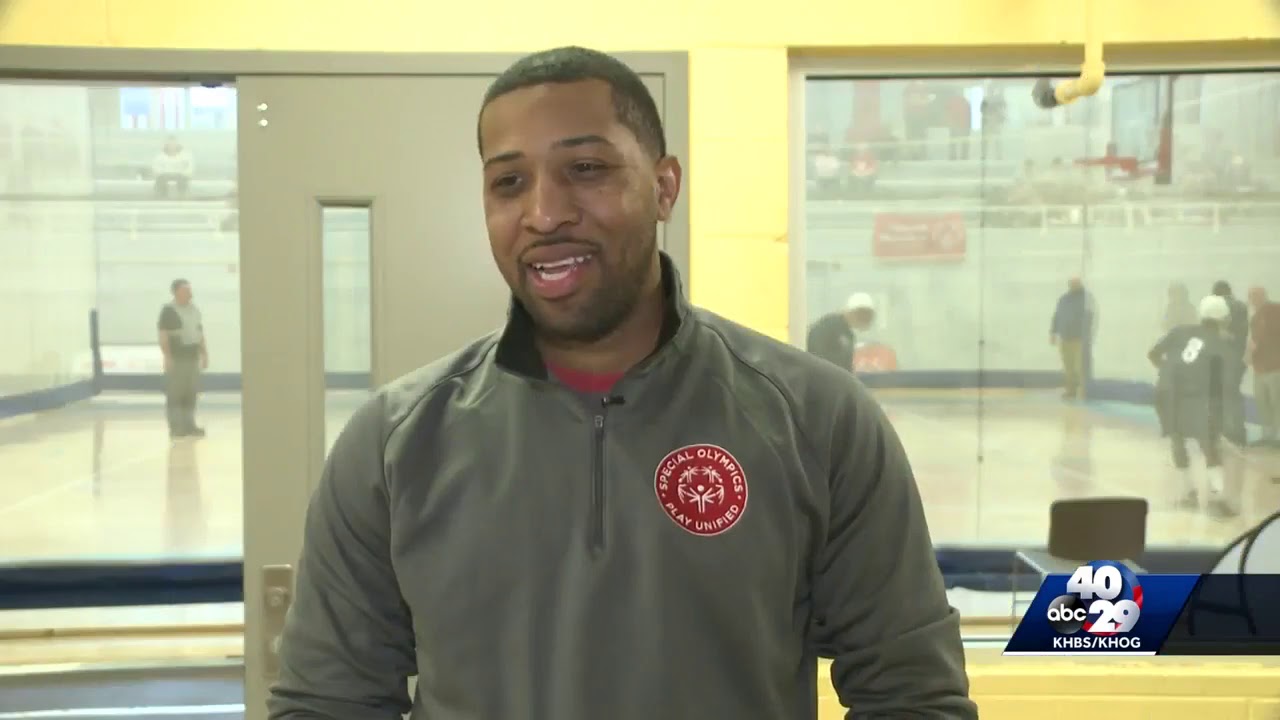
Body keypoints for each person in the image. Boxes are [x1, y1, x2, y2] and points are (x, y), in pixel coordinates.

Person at [267, 47, 974, 720]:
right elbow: (328, 703)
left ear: (664, 187)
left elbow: (912, 693)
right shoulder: (394, 443)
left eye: (585, 168)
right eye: (508, 182)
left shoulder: (817, 420)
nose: (544, 213)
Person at [1148, 294, 1242, 518]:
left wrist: (1167, 371)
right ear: (1223, 320)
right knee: (1209, 444)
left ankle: (1188, 493)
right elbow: (1224, 383)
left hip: (1165, 392)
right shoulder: (1222, 344)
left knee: (1177, 439)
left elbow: (1152, 354)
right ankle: (1218, 500)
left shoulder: (1180, 331)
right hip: (1195, 396)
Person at [157, 278, 207, 438]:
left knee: (191, 393)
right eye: (186, 290)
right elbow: (163, 336)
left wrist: (204, 353)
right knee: (176, 394)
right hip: (177, 358)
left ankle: (189, 425)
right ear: (176, 292)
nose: (190, 293)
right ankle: (176, 427)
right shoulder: (168, 311)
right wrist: (167, 357)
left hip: (192, 357)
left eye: (190, 290)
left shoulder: (194, 310)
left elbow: (199, 334)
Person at [1212, 280, 1250, 446]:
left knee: (1223, 393)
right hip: (1237, 356)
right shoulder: (1241, 306)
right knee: (1232, 393)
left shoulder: (1219, 308)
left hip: (1224, 356)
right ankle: (1238, 432)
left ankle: (1224, 430)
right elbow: (1243, 332)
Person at [805, 292, 875, 373]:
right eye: (864, 315)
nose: (866, 320)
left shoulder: (847, 333)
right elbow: (815, 356)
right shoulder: (827, 327)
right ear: (853, 312)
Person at [1050, 277, 1093, 400]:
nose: (1073, 285)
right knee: (1068, 366)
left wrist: (1086, 333)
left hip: (1079, 338)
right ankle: (1070, 391)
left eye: (1076, 283)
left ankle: (1083, 391)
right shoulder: (1064, 299)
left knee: (1079, 366)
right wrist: (1053, 332)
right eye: (1071, 283)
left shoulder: (1086, 299)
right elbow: (1057, 315)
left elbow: (1089, 317)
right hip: (1065, 338)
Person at [1247, 286, 1280, 448]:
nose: (1252, 300)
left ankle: (1277, 437)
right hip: (1259, 368)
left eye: (1255, 296)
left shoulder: (1275, 310)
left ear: (1263, 296)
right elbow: (1254, 341)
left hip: (1275, 366)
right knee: (1263, 402)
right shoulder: (1254, 318)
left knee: (1276, 402)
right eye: (1251, 297)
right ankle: (1267, 436)